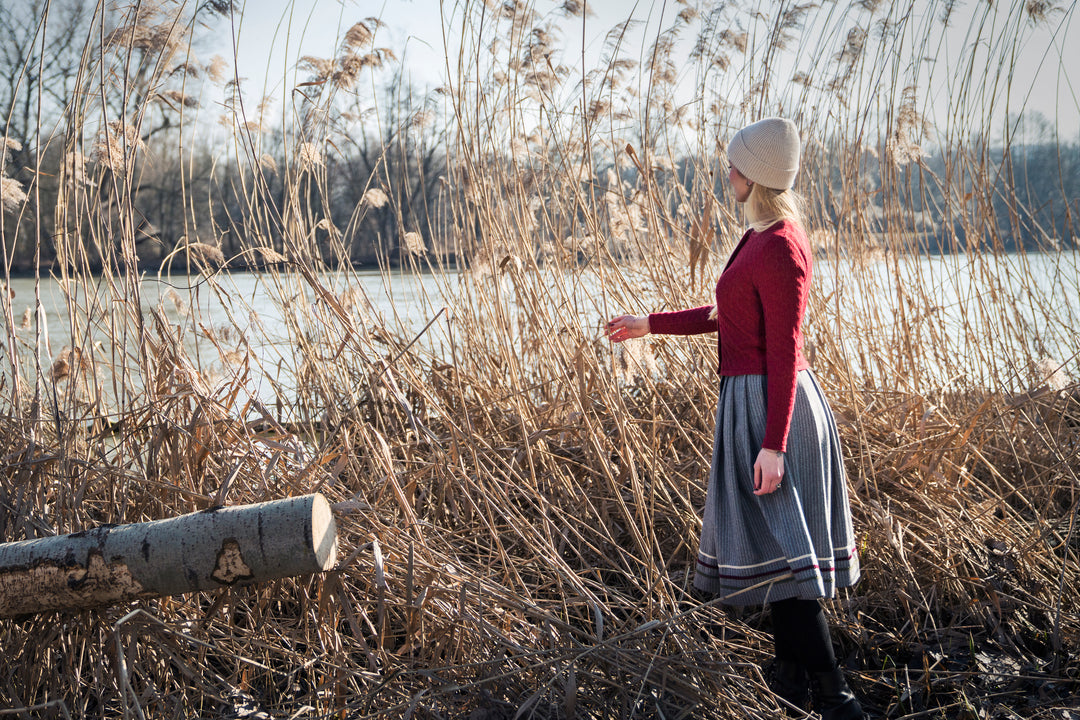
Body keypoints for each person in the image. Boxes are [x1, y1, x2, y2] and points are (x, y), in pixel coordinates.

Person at [605, 117, 864, 719]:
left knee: (790, 563)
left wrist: (773, 444)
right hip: (752, 404)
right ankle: (792, 684)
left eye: (737, 167)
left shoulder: (779, 247)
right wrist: (651, 324)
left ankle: (839, 700)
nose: (729, 175)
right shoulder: (758, 237)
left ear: (760, 176)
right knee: (780, 560)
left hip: (775, 410)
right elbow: (731, 316)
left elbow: (786, 348)